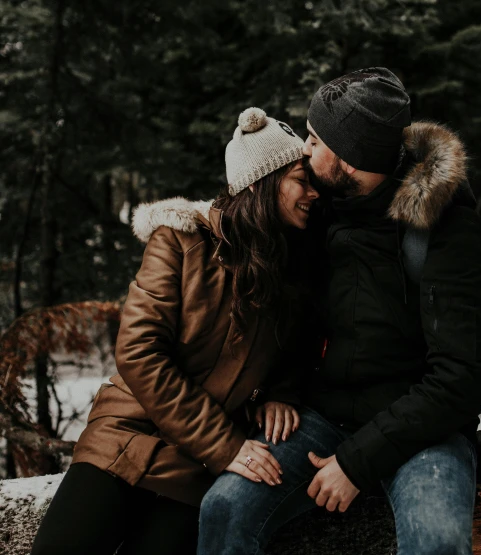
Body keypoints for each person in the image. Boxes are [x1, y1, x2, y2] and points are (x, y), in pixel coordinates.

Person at [199, 68, 481, 555]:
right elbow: (281, 300)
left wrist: (355, 463)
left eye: (315, 138)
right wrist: (280, 390)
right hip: (324, 417)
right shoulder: (319, 210)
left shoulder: (449, 232)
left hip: (424, 431)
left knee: (438, 543)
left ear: (351, 156)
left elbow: (460, 380)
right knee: (224, 509)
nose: (304, 149)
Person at [30, 107, 319, 555]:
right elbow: (140, 353)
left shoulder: (293, 265)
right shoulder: (180, 240)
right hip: (126, 436)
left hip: (196, 470)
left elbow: (301, 346)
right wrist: (226, 447)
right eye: (302, 179)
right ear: (264, 183)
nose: (313, 192)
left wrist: (282, 392)